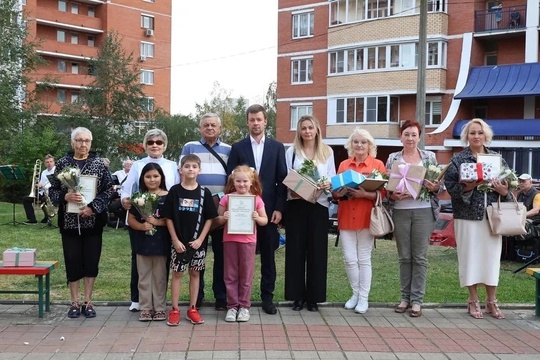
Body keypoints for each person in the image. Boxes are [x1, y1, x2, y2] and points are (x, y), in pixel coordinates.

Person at [445, 118, 510, 320]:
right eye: (472, 133)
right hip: (467, 216)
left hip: (492, 216)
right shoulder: (458, 160)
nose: (476, 136)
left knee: (491, 259)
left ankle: (491, 300)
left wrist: (502, 189)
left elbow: (509, 187)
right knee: (469, 257)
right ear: (467, 136)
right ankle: (473, 299)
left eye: (480, 133)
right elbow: (451, 188)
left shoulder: (496, 159)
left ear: (486, 136)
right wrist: (470, 185)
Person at [227, 104, 288, 315]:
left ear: (265, 121)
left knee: (268, 257)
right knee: (241, 259)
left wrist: (280, 208)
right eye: (252, 120)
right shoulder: (238, 147)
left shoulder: (277, 147)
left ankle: (267, 298)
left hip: (268, 212)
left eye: (259, 119)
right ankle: (239, 301)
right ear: (247, 122)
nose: (255, 123)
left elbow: (282, 181)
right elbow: (230, 178)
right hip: (242, 214)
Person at [48, 127, 113, 318]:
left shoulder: (99, 164)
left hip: (93, 223)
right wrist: (65, 196)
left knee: (91, 262)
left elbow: (109, 190)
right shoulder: (62, 163)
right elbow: (51, 191)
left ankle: (88, 301)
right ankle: (74, 302)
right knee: (73, 261)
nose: (83, 144)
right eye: (79, 140)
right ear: (72, 142)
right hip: (69, 223)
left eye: (86, 140)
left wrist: (93, 207)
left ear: (91, 143)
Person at [386, 120, 442, 318]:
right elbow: (386, 187)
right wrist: (392, 195)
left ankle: (417, 300)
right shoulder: (393, 157)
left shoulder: (429, 157)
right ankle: (404, 298)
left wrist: (435, 187)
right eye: (406, 134)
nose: (410, 138)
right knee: (404, 257)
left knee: (419, 257)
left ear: (419, 137)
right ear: (401, 136)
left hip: (423, 211)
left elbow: (439, 186)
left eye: (414, 135)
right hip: (400, 210)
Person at [121, 129, 180, 312]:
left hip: (163, 220)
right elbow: (127, 188)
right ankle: (138, 299)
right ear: (145, 145)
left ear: (165, 145)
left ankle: (159, 302)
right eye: (151, 142)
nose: (155, 145)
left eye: (159, 142)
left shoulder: (172, 165)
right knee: (139, 259)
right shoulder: (138, 165)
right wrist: (124, 199)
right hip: (139, 218)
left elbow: (176, 190)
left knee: (162, 262)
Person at [284, 115, 335, 312]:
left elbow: (331, 176)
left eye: (310, 127)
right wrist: (298, 189)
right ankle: (297, 297)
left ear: (317, 130)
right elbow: (288, 176)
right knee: (296, 251)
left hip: (319, 206)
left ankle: (314, 298)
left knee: (317, 252)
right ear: (299, 131)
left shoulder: (327, 152)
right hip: (296, 204)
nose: (307, 131)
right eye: (303, 128)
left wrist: (326, 184)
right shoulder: (292, 151)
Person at [332, 128, 386, 314]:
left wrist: (366, 193)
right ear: (351, 145)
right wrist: (337, 193)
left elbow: (383, 193)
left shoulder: (378, 164)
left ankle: (363, 297)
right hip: (346, 215)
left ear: (370, 145)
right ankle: (355, 293)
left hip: (366, 216)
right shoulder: (344, 165)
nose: (359, 145)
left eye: (363, 142)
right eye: (356, 142)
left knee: (364, 259)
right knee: (349, 259)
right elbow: (335, 192)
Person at [180, 113, 231, 310]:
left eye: (213, 125)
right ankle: (197, 296)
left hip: (219, 205)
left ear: (220, 128)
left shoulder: (229, 149)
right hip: (195, 205)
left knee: (221, 254)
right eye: (206, 125)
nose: (210, 128)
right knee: (196, 252)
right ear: (200, 128)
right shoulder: (190, 146)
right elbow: (182, 173)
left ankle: (221, 296)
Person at [162, 154, 217, 325]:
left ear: (199, 170)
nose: (190, 169)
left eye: (194, 166)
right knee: (177, 273)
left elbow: (210, 218)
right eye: (187, 166)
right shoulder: (175, 191)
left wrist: (201, 239)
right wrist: (175, 240)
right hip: (178, 242)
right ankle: (175, 309)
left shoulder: (204, 192)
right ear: (181, 169)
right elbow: (168, 217)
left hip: (197, 243)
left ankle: (192, 308)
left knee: (195, 273)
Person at [217, 166, 268, 322]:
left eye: (245, 181)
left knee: (246, 275)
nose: (241, 184)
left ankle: (244, 306)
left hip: (248, 241)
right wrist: (224, 217)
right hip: (230, 240)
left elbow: (264, 220)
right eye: (238, 181)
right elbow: (217, 219)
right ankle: (232, 306)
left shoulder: (256, 199)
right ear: (233, 181)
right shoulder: (227, 198)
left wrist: (257, 218)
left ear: (251, 181)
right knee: (230, 274)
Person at [128, 163, 169, 322]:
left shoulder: (168, 196)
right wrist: (141, 226)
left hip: (161, 244)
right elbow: (131, 219)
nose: (152, 180)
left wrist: (158, 222)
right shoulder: (138, 197)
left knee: (160, 277)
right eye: (148, 177)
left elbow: (172, 220)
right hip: (142, 243)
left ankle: (159, 308)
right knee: (143, 276)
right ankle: (145, 308)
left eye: (156, 176)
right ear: (142, 179)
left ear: (161, 178)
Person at [23, 154, 56, 224]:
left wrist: (43, 186)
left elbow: (55, 184)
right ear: (45, 163)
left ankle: (47, 217)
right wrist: (37, 185)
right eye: (47, 162)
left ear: (54, 162)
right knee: (26, 199)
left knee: (44, 199)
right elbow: (41, 183)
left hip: (52, 193)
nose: (49, 163)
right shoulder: (44, 172)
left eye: (51, 161)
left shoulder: (56, 171)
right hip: (42, 192)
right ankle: (32, 219)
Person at [109, 159, 133, 225]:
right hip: (118, 194)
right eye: (127, 164)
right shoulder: (118, 173)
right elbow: (111, 180)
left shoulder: (133, 175)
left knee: (125, 207)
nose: (128, 165)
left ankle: (125, 220)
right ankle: (123, 219)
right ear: (124, 165)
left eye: (130, 164)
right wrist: (114, 186)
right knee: (110, 206)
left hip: (128, 195)